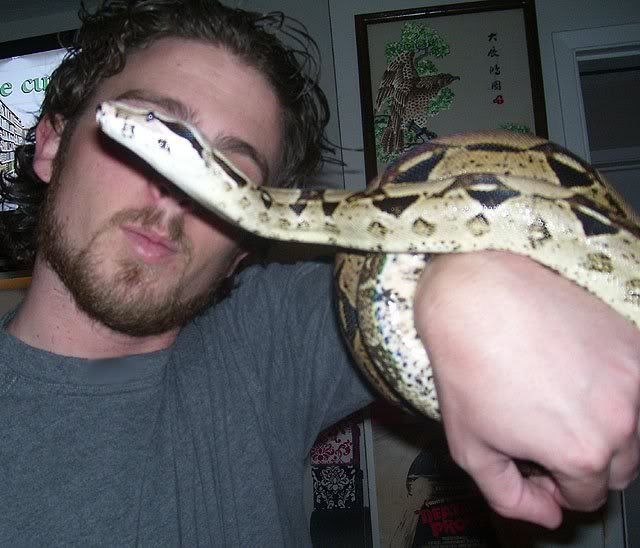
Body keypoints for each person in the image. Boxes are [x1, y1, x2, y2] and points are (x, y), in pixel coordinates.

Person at [0, 0, 638, 545]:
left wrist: (466, 289)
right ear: (51, 143)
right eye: (147, 134)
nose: (174, 194)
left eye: (230, 176)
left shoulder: (270, 335)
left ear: (247, 239)